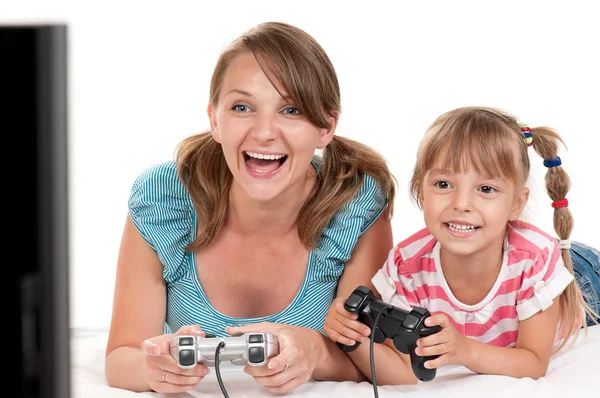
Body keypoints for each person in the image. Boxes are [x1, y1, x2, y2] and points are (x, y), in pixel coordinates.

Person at [104, 21, 398, 394]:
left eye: (291, 110)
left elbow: (375, 362)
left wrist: (312, 352)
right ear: (214, 119)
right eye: (242, 107)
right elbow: (121, 358)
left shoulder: (357, 201)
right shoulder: (162, 199)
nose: (263, 132)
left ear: (326, 127)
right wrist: (154, 369)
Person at [324, 106, 600, 385]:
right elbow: (405, 373)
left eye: (486, 189)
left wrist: (465, 350)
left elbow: (533, 362)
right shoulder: (406, 268)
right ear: (421, 191)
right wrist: (353, 338)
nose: (461, 204)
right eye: (444, 184)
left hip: (584, 279)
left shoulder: (535, 260)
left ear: (517, 203)